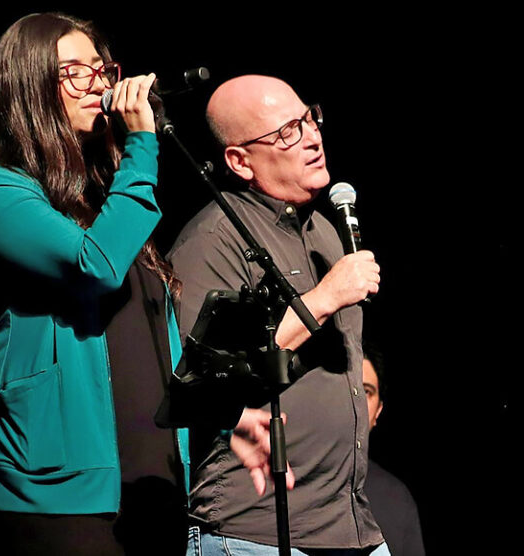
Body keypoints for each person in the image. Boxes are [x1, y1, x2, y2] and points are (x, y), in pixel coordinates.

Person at [0, 12, 187, 554]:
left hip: (153, 487)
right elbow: (95, 266)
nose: (97, 83)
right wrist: (141, 147)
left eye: (100, 69)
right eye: (74, 71)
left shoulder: (111, 197)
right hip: (55, 493)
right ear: (28, 87)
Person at [168, 75, 386, 555]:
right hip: (256, 531)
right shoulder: (213, 241)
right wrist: (322, 299)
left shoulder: (325, 231)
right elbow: (204, 381)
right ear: (239, 160)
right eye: (287, 131)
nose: (312, 137)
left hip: (350, 524)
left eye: (309, 118)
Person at [362, 347, 426, 556]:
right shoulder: (285, 481)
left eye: (366, 391)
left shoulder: (396, 498)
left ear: (378, 410)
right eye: (347, 389)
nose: (355, 401)